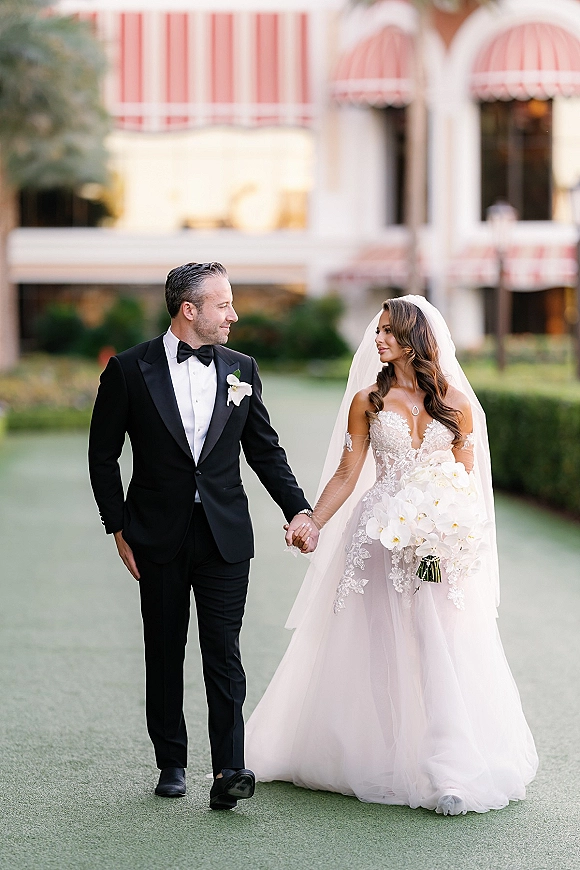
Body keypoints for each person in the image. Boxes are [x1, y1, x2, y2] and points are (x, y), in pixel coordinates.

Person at [246, 295, 538, 815]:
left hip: (438, 545)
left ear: (412, 337)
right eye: (376, 330)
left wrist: (452, 530)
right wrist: (311, 519)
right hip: (379, 538)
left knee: (440, 644)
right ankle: (383, 755)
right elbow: (347, 474)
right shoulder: (368, 401)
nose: (376, 338)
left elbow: (467, 482)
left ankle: (448, 767)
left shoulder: (457, 403)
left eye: (385, 330)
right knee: (379, 644)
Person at [88, 262, 317, 810]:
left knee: (224, 653)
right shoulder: (127, 369)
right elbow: (102, 455)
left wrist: (300, 510)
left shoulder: (242, 368)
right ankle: (171, 761)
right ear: (189, 310)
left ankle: (229, 769)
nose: (233, 315)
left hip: (224, 536)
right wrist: (117, 525)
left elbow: (264, 449)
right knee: (164, 651)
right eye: (224, 305)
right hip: (155, 535)